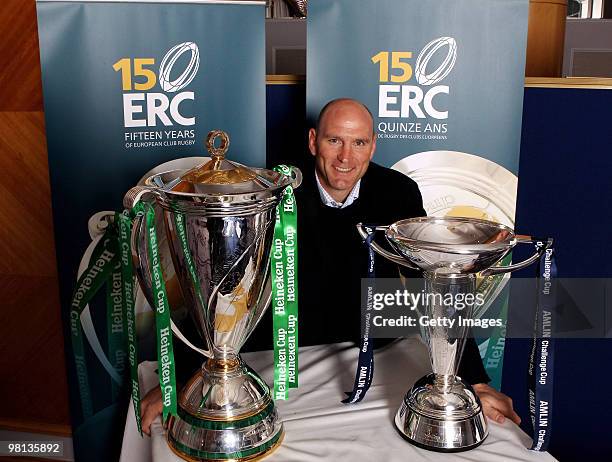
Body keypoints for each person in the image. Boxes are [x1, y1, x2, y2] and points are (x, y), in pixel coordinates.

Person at [140, 98, 520, 433]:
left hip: (372, 353)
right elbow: (223, 282)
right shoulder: (272, 190)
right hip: (277, 355)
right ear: (312, 142)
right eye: (334, 140)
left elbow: (434, 282)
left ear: (372, 147)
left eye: (358, 143)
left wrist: (474, 378)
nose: (345, 157)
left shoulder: (398, 192)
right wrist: (180, 374)